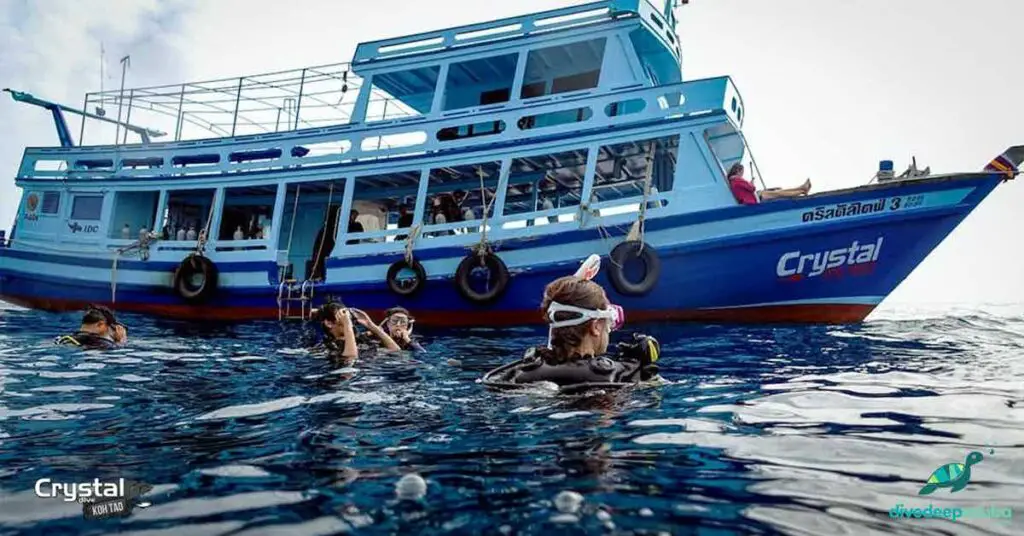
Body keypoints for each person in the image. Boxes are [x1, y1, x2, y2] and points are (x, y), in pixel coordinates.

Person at [482, 259, 661, 391]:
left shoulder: (524, 370)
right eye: (610, 322)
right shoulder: (613, 376)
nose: (610, 329)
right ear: (596, 326)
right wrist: (646, 371)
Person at [312, 301, 400, 359]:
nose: (347, 318)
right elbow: (351, 358)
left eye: (347, 315)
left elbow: (396, 351)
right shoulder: (326, 347)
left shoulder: (361, 340)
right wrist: (347, 325)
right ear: (329, 323)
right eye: (341, 316)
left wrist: (371, 325)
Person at [727, 163, 811, 205]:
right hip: (757, 197)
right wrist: (750, 183)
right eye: (742, 172)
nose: (742, 174)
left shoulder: (733, 182)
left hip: (757, 196)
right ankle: (802, 190)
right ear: (738, 171)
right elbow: (752, 188)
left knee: (780, 192)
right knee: (781, 193)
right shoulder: (737, 180)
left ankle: (802, 188)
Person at [55, 305, 128, 350]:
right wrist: (121, 342)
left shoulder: (65, 338)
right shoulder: (101, 343)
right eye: (111, 329)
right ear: (101, 324)